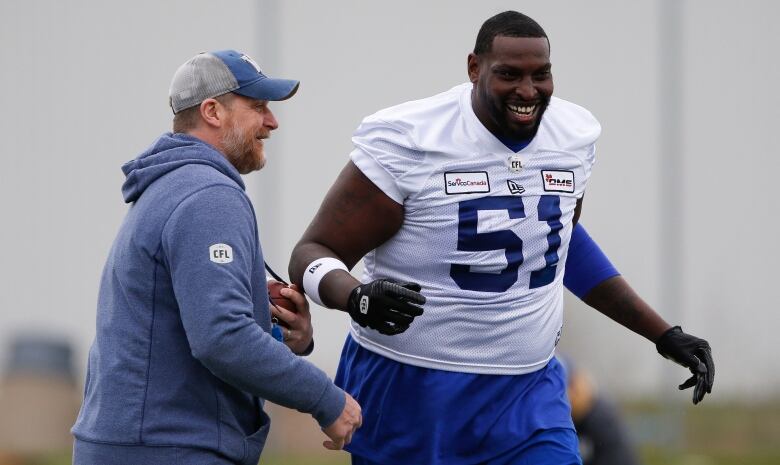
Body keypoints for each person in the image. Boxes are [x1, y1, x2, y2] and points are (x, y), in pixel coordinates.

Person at [288, 11, 714, 465]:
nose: (528, 91)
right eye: (509, 74)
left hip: (527, 391)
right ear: (475, 68)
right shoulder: (414, 141)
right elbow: (311, 254)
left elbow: (560, 244)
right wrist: (358, 297)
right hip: (410, 388)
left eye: (541, 74)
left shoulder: (571, 136)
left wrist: (661, 333)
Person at [71, 50, 361, 465]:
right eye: (258, 107)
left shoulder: (169, 185)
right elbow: (222, 337)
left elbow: (179, 324)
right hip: (171, 448)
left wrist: (278, 333)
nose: (272, 122)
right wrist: (327, 400)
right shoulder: (209, 196)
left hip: (141, 443)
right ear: (212, 111)